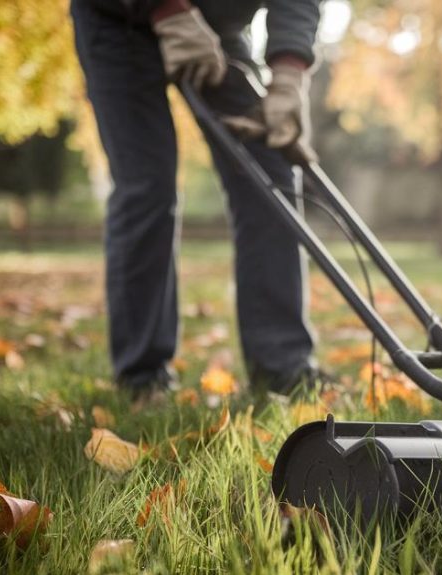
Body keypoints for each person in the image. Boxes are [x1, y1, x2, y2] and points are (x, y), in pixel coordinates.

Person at [71, 0, 323, 402]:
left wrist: (290, 73)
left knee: (269, 174)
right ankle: (143, 378)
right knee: (146, 186)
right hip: (116, 20)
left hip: (216, 29)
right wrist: (167, 9)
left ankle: (284, 369)